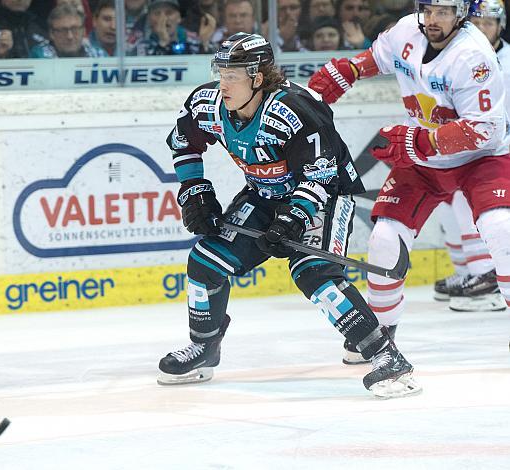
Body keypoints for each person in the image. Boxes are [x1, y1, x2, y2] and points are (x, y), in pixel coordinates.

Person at [157, 32, 421, 398]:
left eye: (232, 75)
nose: (223, 83)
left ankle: (386, 356)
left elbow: (321, 173)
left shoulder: (295, 109)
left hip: (324, 195)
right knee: (205, 263)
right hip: (264, 195)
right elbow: (184, 143)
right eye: (221, 73)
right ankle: (205, 348)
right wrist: (195, 192)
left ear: (258, 77)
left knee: (314, 274)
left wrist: (293, 218)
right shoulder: (208, 104)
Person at [308, 0, 510, 362]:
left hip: (481, 157)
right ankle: (380, 332)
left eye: (443, 12)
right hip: (424, 157)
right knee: (385, 236)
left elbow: (487, 129)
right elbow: (374, 59)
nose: (432, 20)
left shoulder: (473, 56)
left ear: (461, 14)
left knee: (501, 228)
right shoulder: (406, 31)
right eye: (428, 9)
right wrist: (343, 75)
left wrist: (417, 141)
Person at [431, 0, 510, 312]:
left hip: (497, 146)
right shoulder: (456, 55)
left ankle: (486, 279)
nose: (482, 29)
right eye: (476, 22)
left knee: (475, 206)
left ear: (500, 26)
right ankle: (468, 272)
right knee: (449, 204)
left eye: (488, 23)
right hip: (467, 142)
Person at [131, 0, 203, 55]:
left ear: (179, 17)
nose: (163, 18)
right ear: (149, 19)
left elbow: (213, 72)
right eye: (157, 13)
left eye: (169, 13)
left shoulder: (195, 43)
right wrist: (163, 43)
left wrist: (205, 47)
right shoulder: (140, 47)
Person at [32, 3, 103, 57]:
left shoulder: (98, 54)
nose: (70, 36)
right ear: (51, 34)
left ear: (84, 31)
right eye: (62, 30)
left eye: (75, 29)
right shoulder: (39, 55)